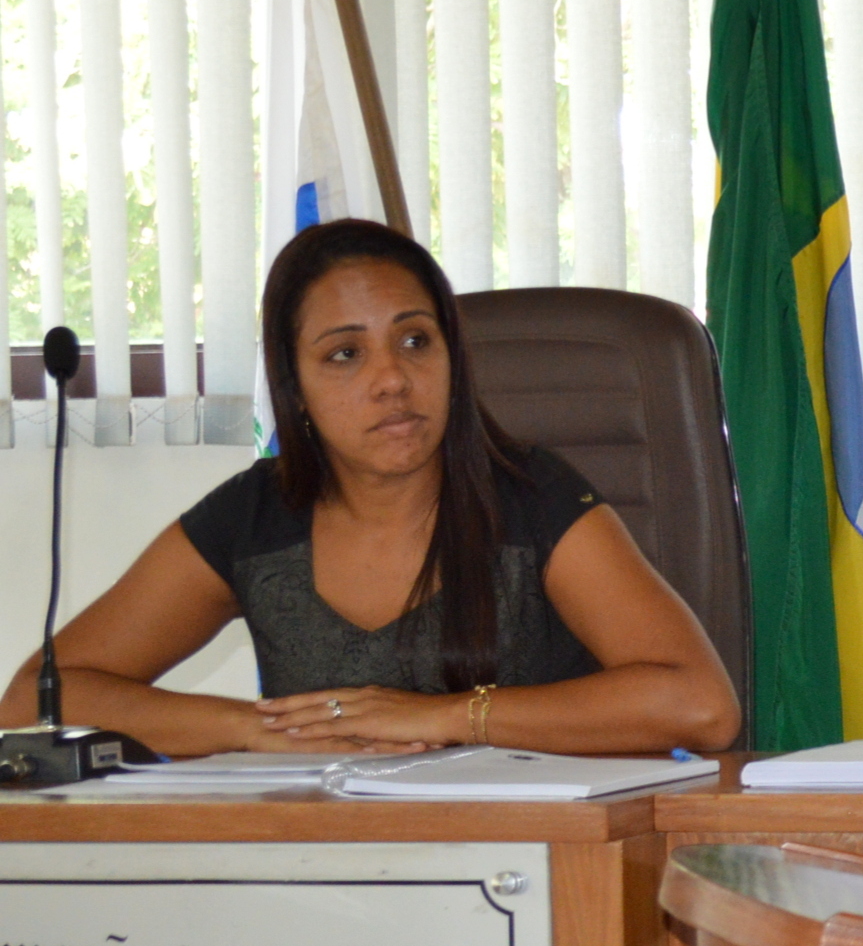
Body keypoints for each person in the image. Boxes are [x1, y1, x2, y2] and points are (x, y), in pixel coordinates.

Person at [0, 219, 741, 758]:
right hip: (336, 873)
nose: (392, 379)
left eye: (416, 341)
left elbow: (701, 706)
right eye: (345, 354)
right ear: (294, 388)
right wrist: (255, 728)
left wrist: (444, 717)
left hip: (537, 862)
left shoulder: (533, 498)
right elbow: (31, 701)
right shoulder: (255, 518)